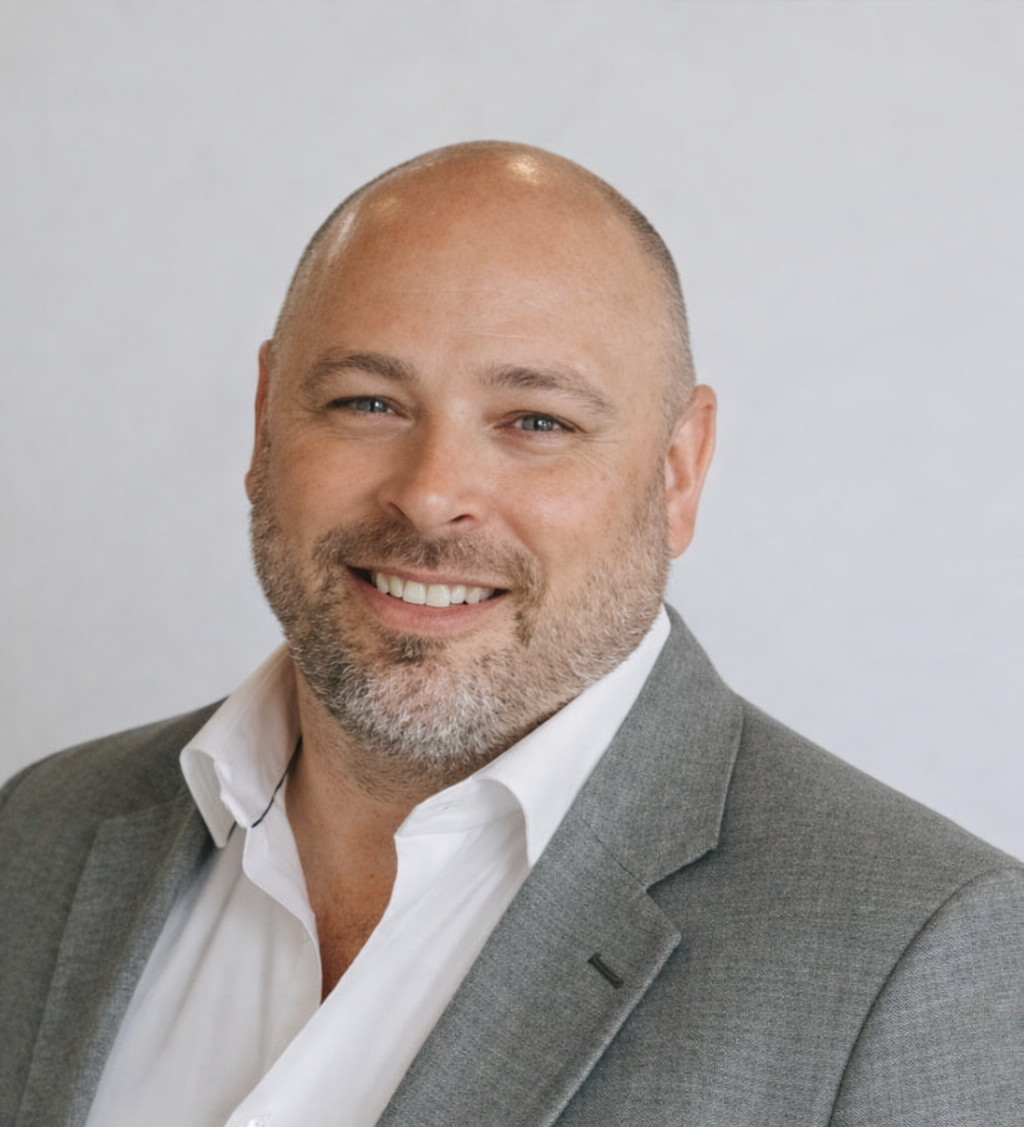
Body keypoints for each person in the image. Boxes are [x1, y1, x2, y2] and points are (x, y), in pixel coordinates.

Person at [1, 141, 1021, 1127]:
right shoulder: (40, 832)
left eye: (535, 421)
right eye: (368, 401)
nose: (432, 494)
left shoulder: (919, 954)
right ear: (266, 418)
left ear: (676, 471)